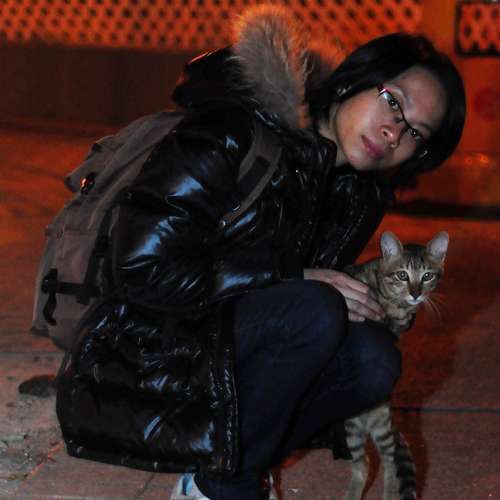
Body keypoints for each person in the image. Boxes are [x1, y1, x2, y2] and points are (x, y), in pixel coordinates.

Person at [55, 6, 466, 500]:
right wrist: (291, 275)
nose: (394, 133)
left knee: (373, 359)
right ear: (353, 81)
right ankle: (226, 487)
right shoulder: (234, 131)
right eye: (393, 103)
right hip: (139, 353)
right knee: (316, 307)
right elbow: (138, 268)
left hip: (220, 349)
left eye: (416, 133)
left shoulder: (357, 191)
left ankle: (227, 467)